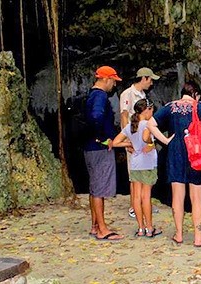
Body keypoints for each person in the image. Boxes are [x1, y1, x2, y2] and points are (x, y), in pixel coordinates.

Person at [147, 81, 201, 247]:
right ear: (196, 94)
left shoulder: (170, 107)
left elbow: (150, 124)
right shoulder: (200, 107)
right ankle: (199, 237)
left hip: (175, 153)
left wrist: (164, 140)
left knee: (177, 196)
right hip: (195, 154)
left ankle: (179, 234)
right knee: (196, 197)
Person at [112, 98, 162, 237]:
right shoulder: (148, 125)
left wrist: (129, 144)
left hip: (135, 164)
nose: (152, 113)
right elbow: (150, 142)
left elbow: (115, 142)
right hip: (147, 163)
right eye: (151, 110)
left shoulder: (129, 126)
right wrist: (151, 145)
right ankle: (150, 228)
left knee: (136, 197)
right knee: (146, 197)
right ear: (146, 110)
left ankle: (140, 228)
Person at [85, 66, 124, 241]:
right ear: (106, 79)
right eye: (114, 81)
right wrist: (103, 138)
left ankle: (95, 225)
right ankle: (102, 229)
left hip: (90, 147)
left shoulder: (91, 95)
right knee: (100, 189)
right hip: (99, 148)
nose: (114, 85)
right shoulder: (100, 95)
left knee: (94, 188)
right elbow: (96, 116)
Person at [119, 67, 160, 219]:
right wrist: (128, 140)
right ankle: (133, 206)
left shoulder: (143, 95)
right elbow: (124, 116)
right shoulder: (127, 94)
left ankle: (145, 202)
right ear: (144, 78)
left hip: (145, 139)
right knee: (135, 173)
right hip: (134, 139)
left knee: (146, 171)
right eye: (150, 80)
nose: (151, 83)